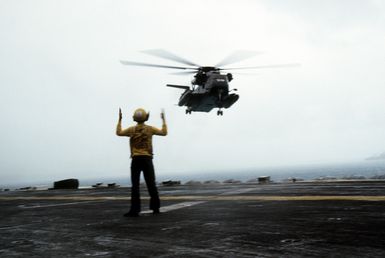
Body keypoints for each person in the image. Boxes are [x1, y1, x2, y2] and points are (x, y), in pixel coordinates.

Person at [116, 108, 167, 217]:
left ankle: (134, 210)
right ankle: (155, 208)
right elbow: (164, 133)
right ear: (145, 117)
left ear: (134, 118)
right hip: (147, 159)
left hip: (136, 159)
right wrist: (163, 120)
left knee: (135, 185)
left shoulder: (131, 130)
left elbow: (118, 133)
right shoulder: (150, 129)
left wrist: (120, 120)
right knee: (151, 184)